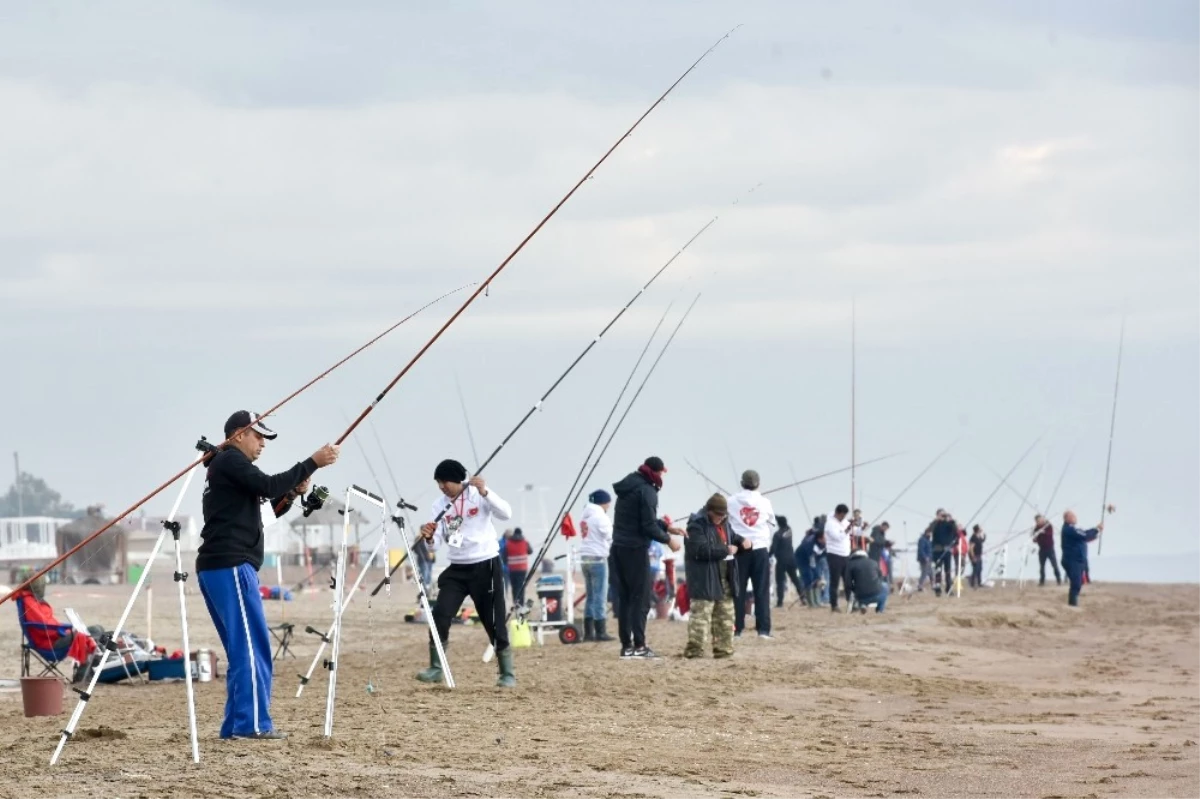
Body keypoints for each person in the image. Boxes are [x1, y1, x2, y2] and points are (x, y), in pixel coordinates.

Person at [196, 410, 339, 740]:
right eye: (258, 436)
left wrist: (290, 494)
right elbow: (268, 483)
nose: (263, 443)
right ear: (238, 435)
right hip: (230, 565)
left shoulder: (228, 470)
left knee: (240, 650)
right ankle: (253, 725)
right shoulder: (230, 461)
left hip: (219, 566)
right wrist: (312, 462)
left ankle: (235, 726)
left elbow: (267, 510)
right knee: (253, 647)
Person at [416, 459, 516, 687]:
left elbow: (506, 514)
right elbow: (435, 545)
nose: (442, 487)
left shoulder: (477, 495)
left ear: (458, 480)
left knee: (494, 620)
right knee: (440, 614)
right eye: (438, 483)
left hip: (486, 564)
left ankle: (507, 673)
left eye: (445, 482)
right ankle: (436, 667)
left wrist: (485, 491)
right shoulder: (439, 505)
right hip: (457, 569)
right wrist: (429, 537)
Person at [609, 456, 682, 659]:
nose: (661, 477)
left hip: (617, 549)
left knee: (624, 599)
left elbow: (643, 518)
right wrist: (669, 540)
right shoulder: (647, 491)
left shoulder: (629, 485)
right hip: (634, 550)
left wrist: (667, 527)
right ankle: (640, 646)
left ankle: (627, 647)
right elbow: (647, 526)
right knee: (640, 599)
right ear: (656, 472)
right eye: (661, 473)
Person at [683, 494, 750, 658]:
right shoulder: (696, 525)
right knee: (701, 618)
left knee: (726, 617)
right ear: (709, 511)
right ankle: (694, 652)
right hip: (704, 579)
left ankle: (723, 650)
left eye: (724, 515)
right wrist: (726, 550)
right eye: (718, 515)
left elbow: (733, 538)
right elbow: (698, 550)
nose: (721, 518)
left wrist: (743, 543)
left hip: (725, 577)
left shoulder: (725, 524)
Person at [13, 574, 98, 681]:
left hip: (52, 638)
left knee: (95, 630)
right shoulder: (29, 602)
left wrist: (64, 630)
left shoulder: (31, 600)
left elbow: (46, 624)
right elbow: (43, 626)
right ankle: (85, 671)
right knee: (89, 632)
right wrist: (63, 631)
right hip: (49, 644)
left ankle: (91, 665)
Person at [728, 470, 777, 638]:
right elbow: (772, 525)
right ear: (758, 483)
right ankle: (763, 630)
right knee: (761, 591)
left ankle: (737, 629)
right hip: (760, 550)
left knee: (738, 590)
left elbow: (727, 523)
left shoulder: (731, 501)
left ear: (742, 483)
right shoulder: (765, 502)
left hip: (739, 550)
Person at [578, 489, 615, 642]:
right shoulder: (601, 517)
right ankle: (600, 632)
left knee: (591, 596)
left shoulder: (585, 516)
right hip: (598, 559)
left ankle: (588, 633)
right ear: (603, 502)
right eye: (608, 503)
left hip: (584, 558)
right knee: (600, 595)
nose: (609, 506)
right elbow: (611, 537)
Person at [1060, 510, 1102, 607]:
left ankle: (1073, 603)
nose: (1075, 517)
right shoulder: (1069, 529)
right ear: (1067, 518)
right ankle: (1072, 604)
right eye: (1073, 516)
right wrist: (1096, 529)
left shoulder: (1073, 529)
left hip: (1079, 560)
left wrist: (1096, 530)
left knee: (1078, 582)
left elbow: (1085, 534)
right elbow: (1084, 535)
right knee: (1076, 583)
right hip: (1072, 560)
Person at [769, 515, 803, 608]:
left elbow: (773, 548)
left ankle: (780, 603)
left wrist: (768, 555)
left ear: (778, 524)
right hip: (792, 559)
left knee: (780, 581)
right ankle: (803, 598)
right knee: (795, 579)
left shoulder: (777, 534)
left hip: (781, 561)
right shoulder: (789, 530)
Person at [823, 504, 851, 612]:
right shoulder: (830, 524)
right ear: (838, 513)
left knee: (848, 581)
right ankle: (834, 605)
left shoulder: (845, 522)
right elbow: (838, 538)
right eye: (842, 515)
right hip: (834, 555)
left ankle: (850, 602)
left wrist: (860, 526)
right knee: (834, 581)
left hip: (846, 554)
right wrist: (847, 529)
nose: (843, 518)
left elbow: (855, 530)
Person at [845, 547, 889, 613]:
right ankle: (880, 609)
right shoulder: (873, 562)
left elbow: (848, 583)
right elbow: (880, 577)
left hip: (861, 596)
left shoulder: (850, 564)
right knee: (885, 585)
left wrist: (854, 590)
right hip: (876, 593)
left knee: (861, 591)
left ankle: (863, 605)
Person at [795, 521, 826, 608]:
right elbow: (812, 562)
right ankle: (811, 603)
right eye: (825, 537)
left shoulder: (823, 544)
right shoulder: (810, 545)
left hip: (814, 560)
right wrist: (817, 575)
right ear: (820, 538)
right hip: (802, 560)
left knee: (816, 579)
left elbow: (822, 555)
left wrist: (818, 576)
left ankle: (817, 601)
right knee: (809, 578)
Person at [930, 509, 957, 597]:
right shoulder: (935, 524)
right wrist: (937, 520)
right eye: (941, 515)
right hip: (937, 550)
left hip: (947, 550)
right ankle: (938, 589)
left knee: (948, 571)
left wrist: (951, 520)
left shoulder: (949, 524)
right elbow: (930, 530)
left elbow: (955, 531)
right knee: (938, 570)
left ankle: (948, 588)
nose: (943, 517)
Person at [504, 528, 533, 609]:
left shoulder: (508, 543)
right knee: (521, 586)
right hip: (522, 568)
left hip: (512, 569)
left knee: (514, 586)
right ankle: (521, 603)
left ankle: (515, 602)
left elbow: (504, 556)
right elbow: (530, 551)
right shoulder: (525, 542)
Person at [1032, 514, 1062, 586]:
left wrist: (1043, 532)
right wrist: (1035, 535)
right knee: (1042, 566)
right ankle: (1042, 581)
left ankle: (1058, 579)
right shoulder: (1036, 528)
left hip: (1050, 548)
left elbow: (1049, 534)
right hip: (1042, 549)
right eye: (1037, 521)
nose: (1038, 522)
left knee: (1054, 565)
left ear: (1042, 520)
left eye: (1039, 520)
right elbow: (1034, 540)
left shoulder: (1048, 526)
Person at [917, 527, 933, 591]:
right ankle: (920, 585)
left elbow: (930, 550)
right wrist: (925, 557)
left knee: (931, 572)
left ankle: (933, 585)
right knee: (924, 572)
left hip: (929, 558)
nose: (930, 535)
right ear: (927, 533)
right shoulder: (922, 540)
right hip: (924, 559)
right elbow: (921, 550)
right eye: (930, 533)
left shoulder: (928, 540)